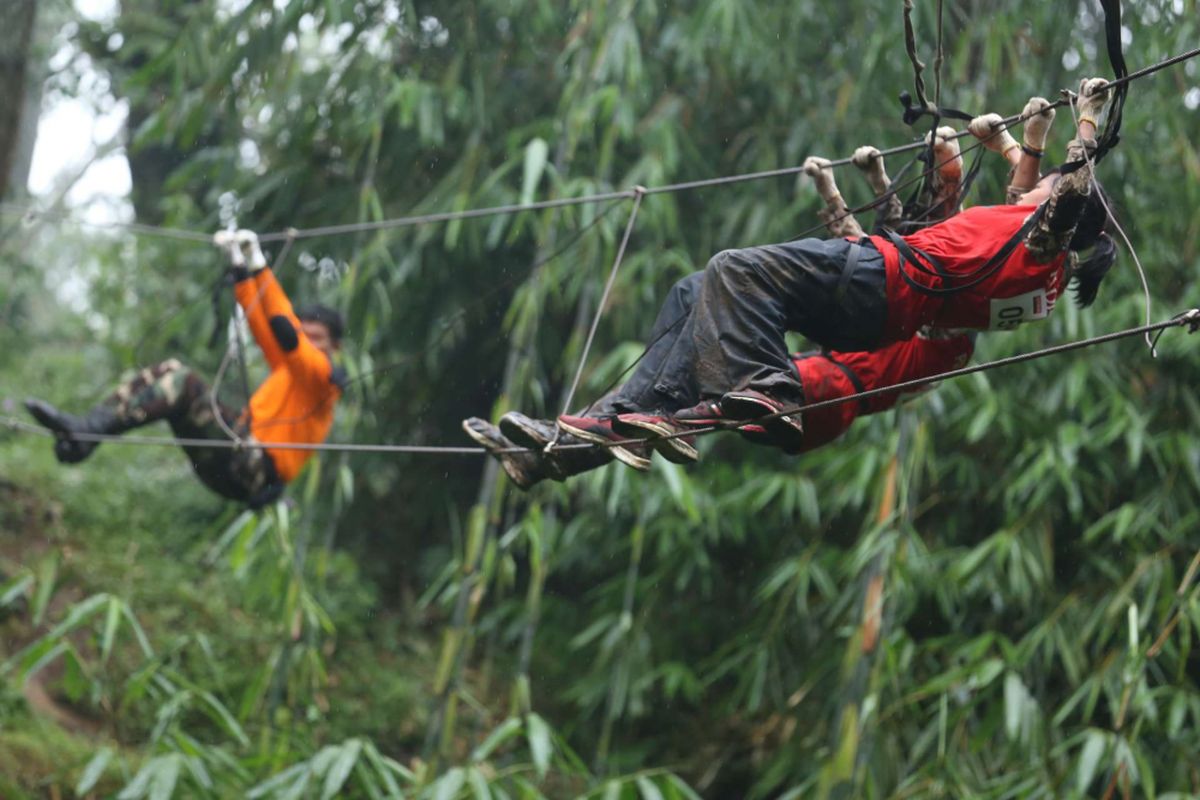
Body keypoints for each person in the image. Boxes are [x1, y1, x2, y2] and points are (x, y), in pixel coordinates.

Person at [548, 77, 1117, 449]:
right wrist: (1022, 143)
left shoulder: (1041, 246)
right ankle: (605, 428)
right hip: (873, 304)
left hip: (860, 318)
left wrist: (1086, 119)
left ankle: (764, 386)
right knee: (692, 293)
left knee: (733, 271)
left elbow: (1061, 194)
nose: (1033, 185)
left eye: (1045, 184)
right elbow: (1023, 203)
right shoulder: (1035, 271)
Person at [23, 231, 346, 507]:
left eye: (317, 338)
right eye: (307, 336)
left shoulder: (324, 380)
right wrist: (241, 267)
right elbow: (262, 322)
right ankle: (86, 431)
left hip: (253, 469)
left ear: (335, 347)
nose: (309, 343)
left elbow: (285, 330)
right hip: (234, 456)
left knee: (184, 382)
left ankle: (87, 433)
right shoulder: (288, 368)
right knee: (169, 370)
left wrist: (258, 261)